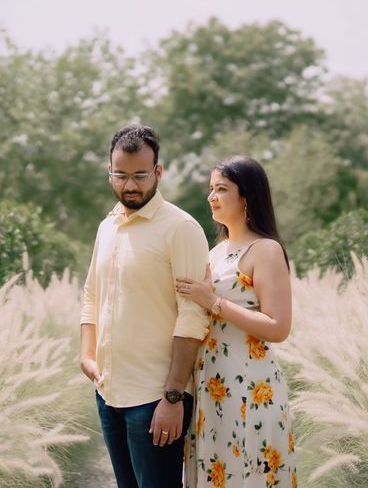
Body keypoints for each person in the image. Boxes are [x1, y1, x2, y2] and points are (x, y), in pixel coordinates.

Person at [80, 125, 211, 488]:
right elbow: (92, 293)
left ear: (158, 172)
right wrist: (86, 355)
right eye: (120, 175)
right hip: (108, 394)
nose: (130, 185)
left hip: (155, 399)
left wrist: (172, 395)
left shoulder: (180, 228)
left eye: (140, 175)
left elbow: (193, 314)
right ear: (110, 172)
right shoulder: (107, 226)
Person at [176, 156, 296, 488]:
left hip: (249, 386)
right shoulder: (214, 253)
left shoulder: (265, 250)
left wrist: (213, 302)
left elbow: (278, 326)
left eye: (221, 189)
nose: (211, 197)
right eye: (211, 189)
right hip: (209, 386)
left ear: (246, 197)